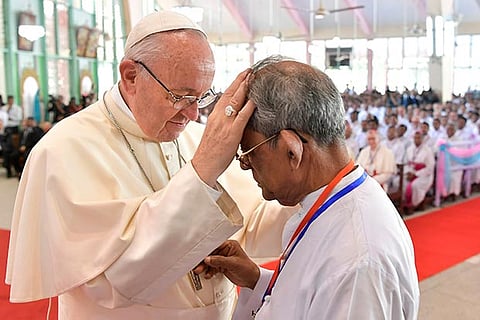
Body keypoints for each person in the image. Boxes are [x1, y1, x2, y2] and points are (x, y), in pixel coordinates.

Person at [6, 11, 295, 319]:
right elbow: (113, 281)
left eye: (202, 96)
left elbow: (254, 222)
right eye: (181, 96)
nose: (193, 114)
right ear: (131, 76)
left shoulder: (197, 137)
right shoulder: (64, 150)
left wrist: (305, 186)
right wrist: (203, 171)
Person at [203, 56, 419, 319]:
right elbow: (310, 298)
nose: (245, 165)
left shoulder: (356, 260)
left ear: (291, 150)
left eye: (249, 152)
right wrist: (257, 279)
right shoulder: (340, 197)